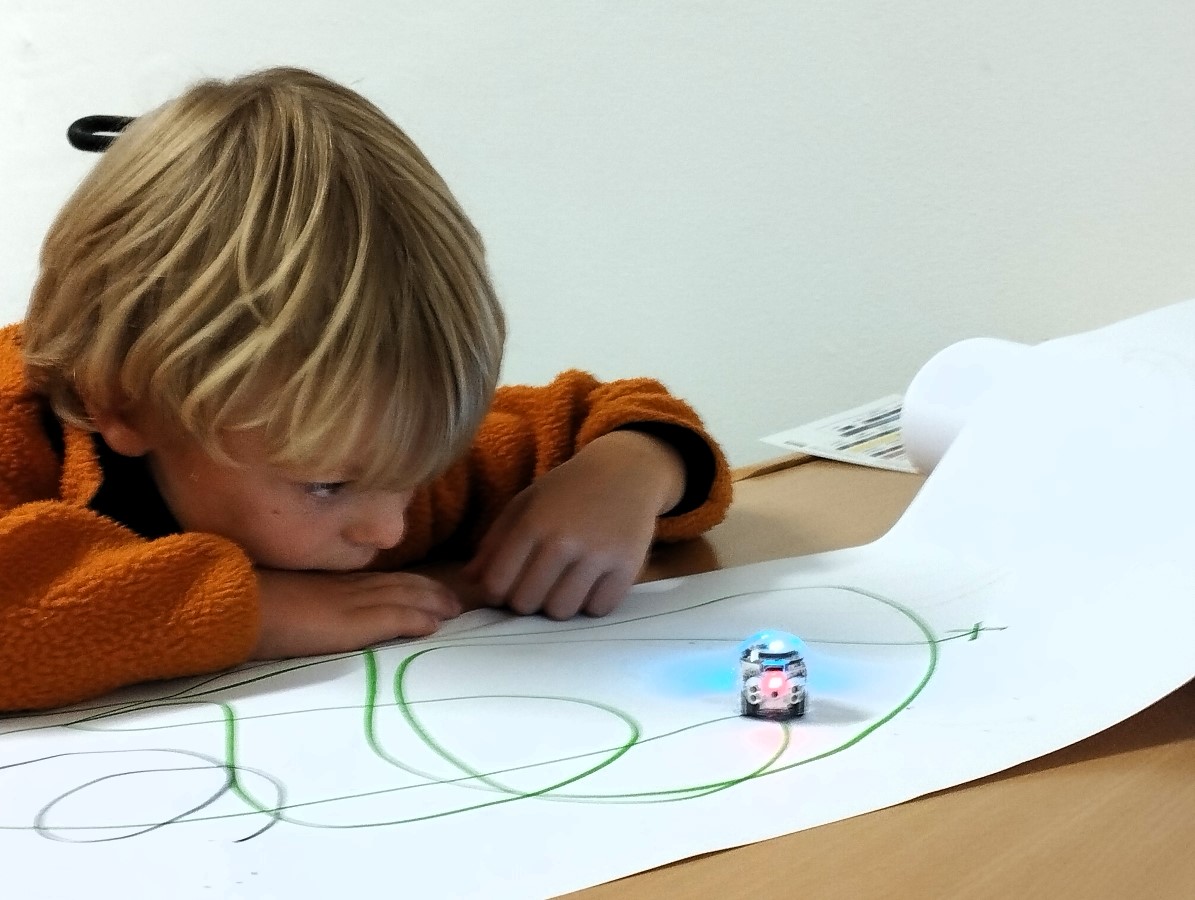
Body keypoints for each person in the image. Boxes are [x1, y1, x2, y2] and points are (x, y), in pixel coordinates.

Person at [0, 67, 732, 712]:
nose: (387, 530)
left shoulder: (369, 456)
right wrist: (258, 613)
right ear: (120, 404)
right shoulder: (17, 431)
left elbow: (603, 416)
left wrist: (633, 468)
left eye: (413, 474)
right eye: (326, 485)